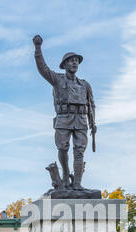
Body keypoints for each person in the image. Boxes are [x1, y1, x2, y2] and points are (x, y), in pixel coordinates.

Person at [33, 34, 96, 190]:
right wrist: (38, 48)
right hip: (64, 117)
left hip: (81, 119)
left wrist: (93, 122)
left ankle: (77, 183)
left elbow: (91, 104)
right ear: (65, 64)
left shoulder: (85, 84)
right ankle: (66, 176)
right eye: (71, 61)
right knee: (63, 148)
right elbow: (43, 69)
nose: (75, 63)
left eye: (76, 61)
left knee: (80, 151)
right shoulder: (57, 79)